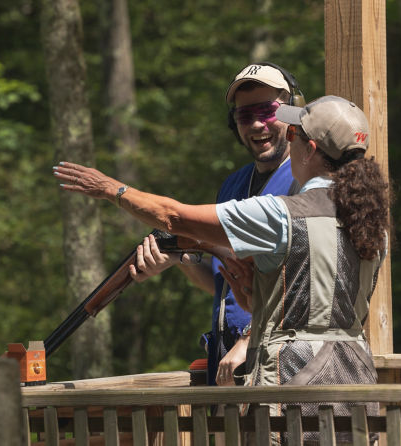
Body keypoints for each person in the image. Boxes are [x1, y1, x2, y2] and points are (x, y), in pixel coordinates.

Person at [53, 95, 390, 442]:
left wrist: (111, 189)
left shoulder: (283, 213)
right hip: (353, 385)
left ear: (309, 150)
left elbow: (174, 216)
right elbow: (326, 308)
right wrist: (262, 304)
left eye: (293, 136)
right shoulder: (371, 222)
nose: (288, 140)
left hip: (292, 384)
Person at [128, 62, 301, 387]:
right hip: (227, 354)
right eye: (244, 116)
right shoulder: (232, 186)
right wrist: (181, 259)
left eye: (268, 110)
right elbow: (222, 285)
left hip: (278, 351)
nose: (257, 124)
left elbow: (303, 284)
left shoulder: (303, 181)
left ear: (294, 113)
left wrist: (251, 338)